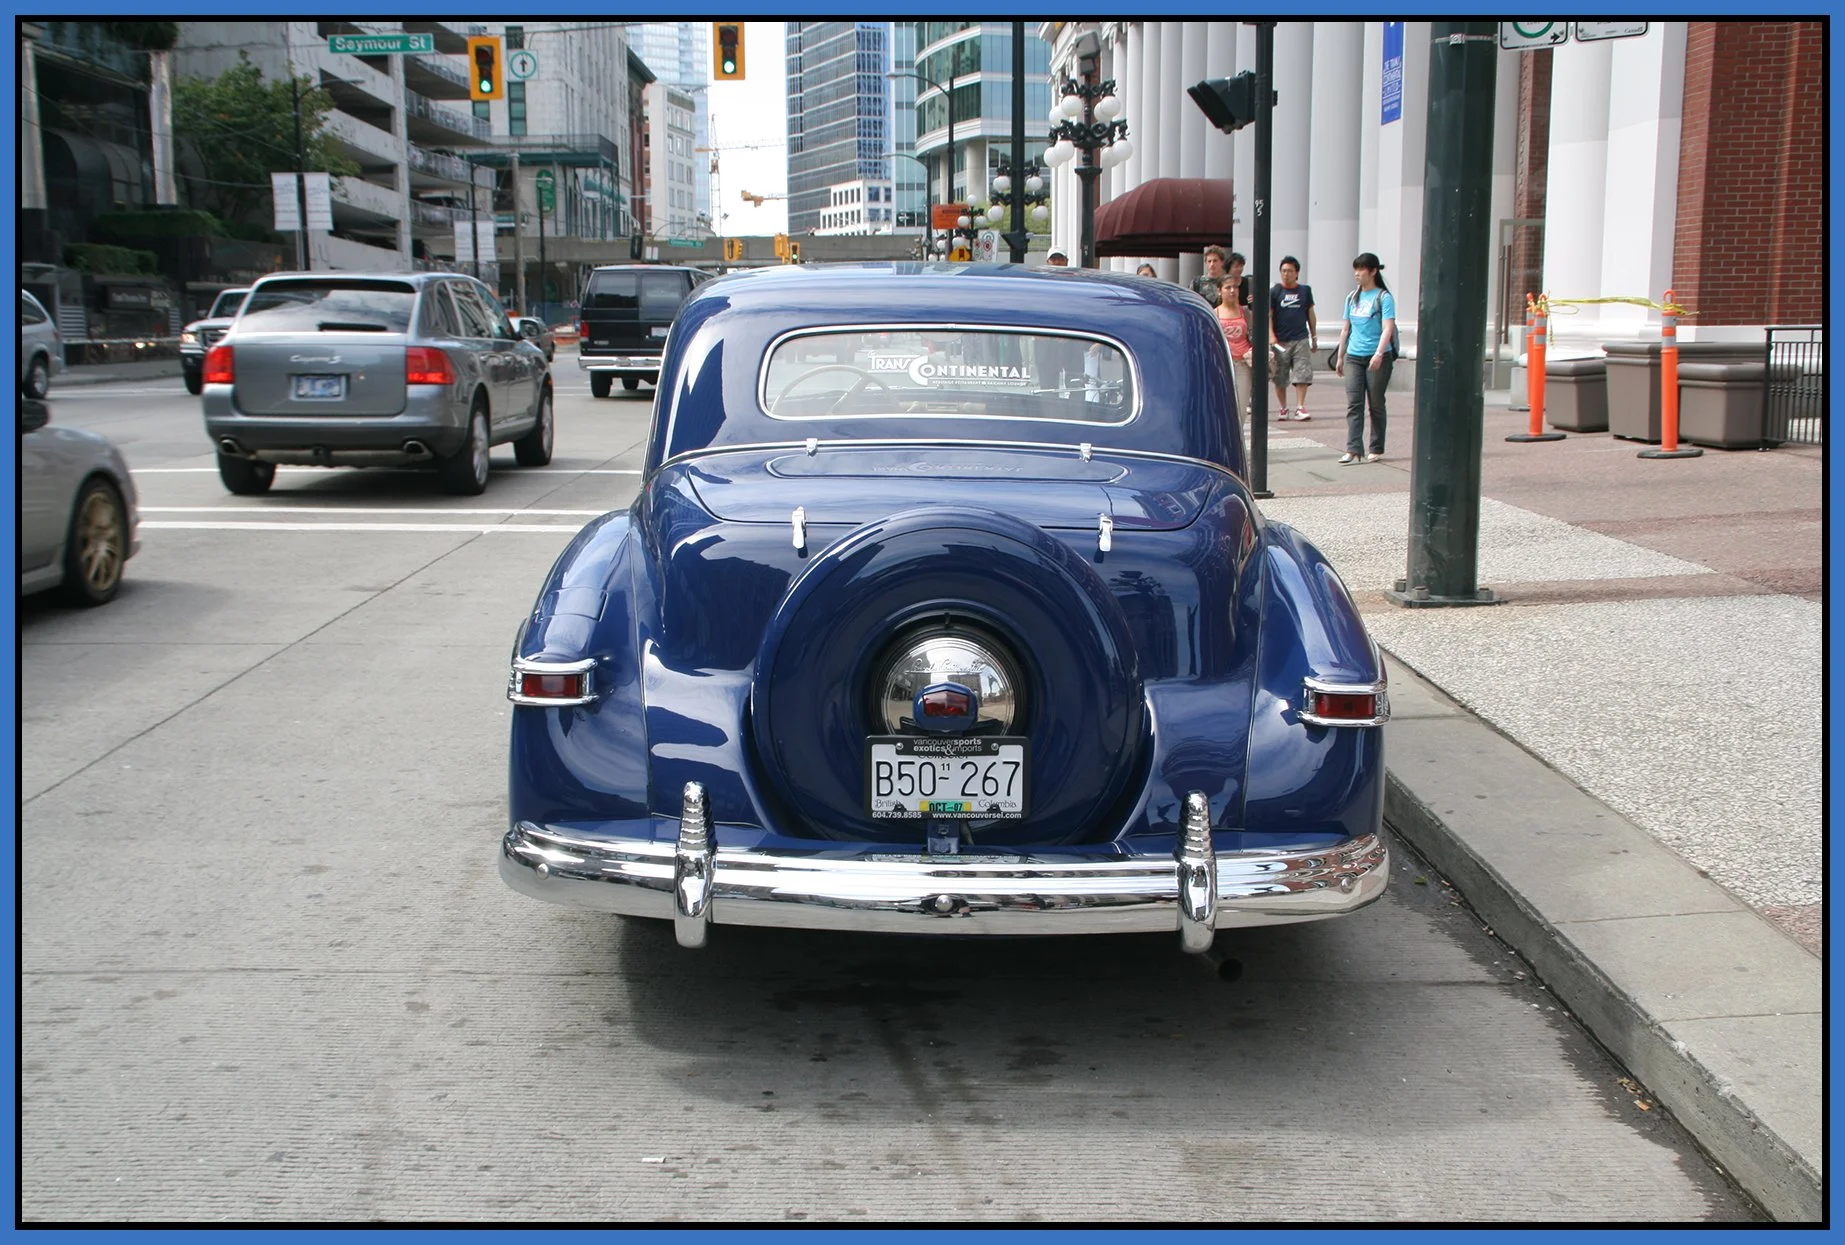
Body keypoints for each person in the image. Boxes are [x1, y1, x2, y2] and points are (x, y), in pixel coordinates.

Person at [1332, 252, 1397, 464]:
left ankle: (1376, 447)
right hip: (1354, 356)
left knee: (1375, 403)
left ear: (1373, 271)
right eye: (1356, 269)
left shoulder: (1383, 297)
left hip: (1377, 356)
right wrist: (1340, 357)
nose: (1357, 274)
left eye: (1361, 269)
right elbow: (1346, 329)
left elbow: (1388, 328)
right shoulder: (1352, 297)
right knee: (1354, 403)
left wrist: (1379, 353)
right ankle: (1353, 448)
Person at [1268, 256, 1317, 420]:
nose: (1286, 274)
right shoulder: (1275, 292)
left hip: (1300, 338)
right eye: (1283, 271)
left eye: (1289, 271)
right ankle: (1283, 408)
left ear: (1296, 273)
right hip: (1280, 340)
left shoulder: (1305, 291)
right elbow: (1269, 315)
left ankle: (1300, 407)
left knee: (1302, 372)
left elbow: (1310, 314)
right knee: (1280, 376)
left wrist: (1314, 336)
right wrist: (1271, 335)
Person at [1216, 284, 1253, 421]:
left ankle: (1238, 433)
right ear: (1219, 291)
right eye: (1228, 288)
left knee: (1241, 408)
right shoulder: (1214, 313)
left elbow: (1255, 334)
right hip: (1222, 365)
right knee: (1223, 406)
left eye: (1235, 287)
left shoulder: (1246, 312)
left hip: (1242, 363)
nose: (1232, 290)